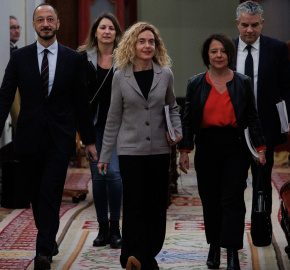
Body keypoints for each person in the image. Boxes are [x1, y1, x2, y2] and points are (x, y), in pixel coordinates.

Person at [0, 4, 97, 270]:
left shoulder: (73, 59)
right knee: (36, 194)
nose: (45, 24)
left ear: (57, 24)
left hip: (60, 139)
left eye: (50, 19)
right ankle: (49, 235)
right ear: (34, 25)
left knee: (50, 192)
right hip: (29, 138)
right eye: (40, 20)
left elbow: (82, 103)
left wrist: (89, 140)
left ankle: (43, 252)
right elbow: (5, 96)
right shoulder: (20, 58)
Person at [97, 22, 182, 270]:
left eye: (151, 42)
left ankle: (149, 252)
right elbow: (112, 118)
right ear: (132, 45)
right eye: (142, 41)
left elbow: (173, 107)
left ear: (157, 46)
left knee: (156, 205)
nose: (147, 46)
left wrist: (177, 132)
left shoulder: (165, 74)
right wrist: (104, 156)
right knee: (134, 204)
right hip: (130, 151)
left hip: (159, 151)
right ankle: (133, 255)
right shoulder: (120, 76)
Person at [178, 33, 266, 270]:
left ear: (230, 54)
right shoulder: (195, 83)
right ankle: (214, 246)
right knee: (211, 200)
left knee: (233, 199)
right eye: (214, 51)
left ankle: (232, 252)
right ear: (207, 55)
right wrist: (185, 149)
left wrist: (260, 147)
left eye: (223, 51)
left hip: (235, 147)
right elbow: (187, 120)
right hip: (206, 146)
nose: (219, 55)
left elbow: (252, 117)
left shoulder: (242, 82)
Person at [232, 0, 290, 239]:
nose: (249, 30)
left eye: (254, 25)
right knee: (234, 184)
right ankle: (232, 234)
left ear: (262, 24)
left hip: (264, 128)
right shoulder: (226, 50)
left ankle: (261, 231)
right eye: (244, 25)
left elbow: (288, 86)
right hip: (234, 130)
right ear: (237, 24)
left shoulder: (276, 48)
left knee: (261, 182)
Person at [77, 13, 123, 249]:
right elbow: (78, 98)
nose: (107, 31)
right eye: (102, 27)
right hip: (94, 127)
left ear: (117, 33)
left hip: (119, 127)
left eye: (111, 28)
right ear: (95, 32)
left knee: (113, 174)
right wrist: (84, 136)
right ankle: (102, 228)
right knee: (98, 177)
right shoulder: (83, 58)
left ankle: (115, 227)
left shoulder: (126, 58)